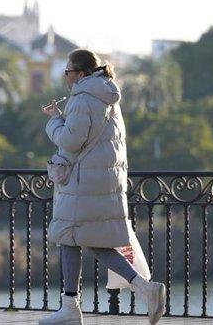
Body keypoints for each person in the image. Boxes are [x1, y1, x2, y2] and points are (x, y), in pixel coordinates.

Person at [39, 49, 166, 325]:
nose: (66, 77)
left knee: (72, 235)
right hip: (102, 182)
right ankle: (75, 305)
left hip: (83, 182)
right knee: (78, 237)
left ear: (81, 74)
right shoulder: (108, 95)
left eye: (68, 71)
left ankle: (77, 306)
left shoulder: (82, 98)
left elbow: (70, 141)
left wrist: (53, 120)